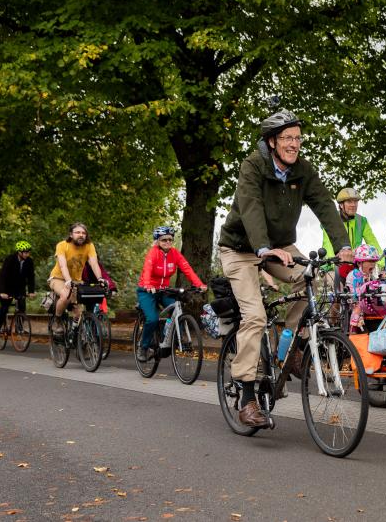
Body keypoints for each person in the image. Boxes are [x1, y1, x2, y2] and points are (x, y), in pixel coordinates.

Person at [218, 107, 353, 428]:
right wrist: (264, 248)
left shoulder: (302, 170)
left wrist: (344, 245)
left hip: (278, 247)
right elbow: (250, 207)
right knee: (254, 316)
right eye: (287, 138)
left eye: (298, 138)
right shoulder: (253, 166)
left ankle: (291, 345)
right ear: (272, 141)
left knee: (317, 280)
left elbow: (323, 204)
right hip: (240, 248)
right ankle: (247, 398)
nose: (294, 144)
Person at [136, 226, 207, 361]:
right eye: (164, 240)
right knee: (152, 319)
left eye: (170, 239)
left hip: (164, 290)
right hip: (147, 290)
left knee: (176, 309)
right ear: (157, 241)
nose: (168, 242)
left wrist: (199, 284)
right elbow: (147, 269)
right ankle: (143, 347)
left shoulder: (175, 253)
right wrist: (148, 284)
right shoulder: (153, 253)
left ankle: (171, 338)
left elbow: (187, 268)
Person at [48, 223, 107, 335]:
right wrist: (68, 280)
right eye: (78, 232)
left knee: (78, 311)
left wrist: (100, 278)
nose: (81, 235)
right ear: (71, 234)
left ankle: (75, 335)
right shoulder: (62, 245)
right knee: (65, 295)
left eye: (83, 233)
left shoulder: (89, 246)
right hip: (58, 278)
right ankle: (57, 320)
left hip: (76, 281)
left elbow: (94, 264)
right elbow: (63, 265)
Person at [321, 187, 383, 286]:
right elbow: (328, 244)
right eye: (349, 202)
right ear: (341, 205)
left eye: (355, 202)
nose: (353, 205)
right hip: (334, 266)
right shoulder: (331, 221)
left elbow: (373, 244)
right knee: (338, 290)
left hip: (355, 265)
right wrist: (334, 263)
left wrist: (383, 264)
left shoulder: (361, 221)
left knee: (367, 291)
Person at [0, 241, 36, 343]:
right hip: (5, 288)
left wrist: (31, 291)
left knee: (22, 305)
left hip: (18, 288)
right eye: (24, 252)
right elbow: (3, 276)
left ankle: (19, 328)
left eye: (28, 252)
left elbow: (31, 278)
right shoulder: (10, 259)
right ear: (19, 252)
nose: (27, 254)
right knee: (4, 307)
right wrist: (3, 292)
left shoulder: (29, 261)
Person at [345, 244, 386, 332]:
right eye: (370, 261)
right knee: (358, 310)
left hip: (369, 306)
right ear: (359, 263)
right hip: (356, 306)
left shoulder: (370, 276)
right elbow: (354, 293)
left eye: (374, 262)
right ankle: (354, 332)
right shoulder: (354, 275)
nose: (373, 265)